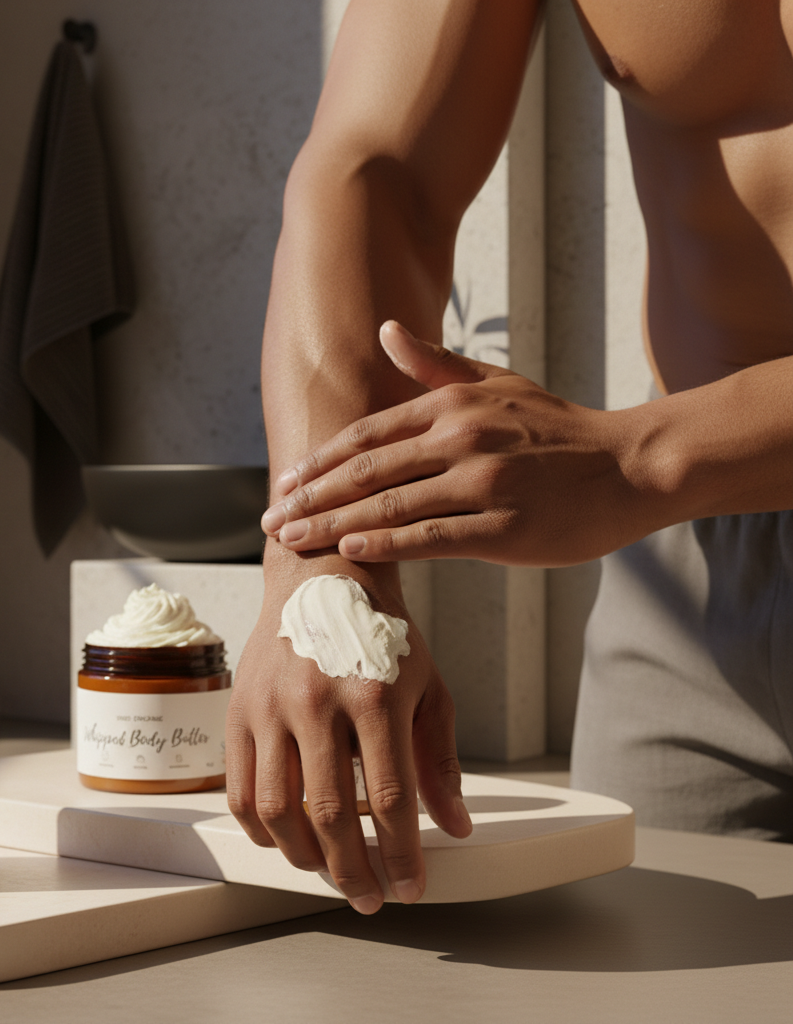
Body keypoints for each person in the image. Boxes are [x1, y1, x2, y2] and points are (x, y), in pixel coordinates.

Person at [225, 0, 793, 915]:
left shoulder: (642, 465)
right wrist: (323, 570)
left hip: (665, 478)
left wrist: (637, 463)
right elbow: (378, 170)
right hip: (689, 591)